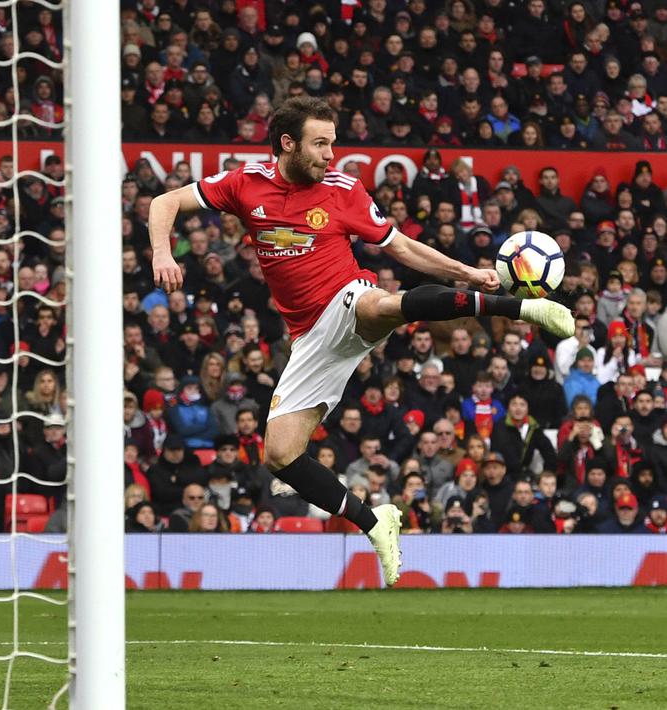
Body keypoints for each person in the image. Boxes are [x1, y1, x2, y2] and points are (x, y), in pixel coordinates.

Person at [147, 96, 575, 586]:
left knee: (381, 305)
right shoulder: (245, 183)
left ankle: (524, 309)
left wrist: (467, 273)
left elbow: (401, 246)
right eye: (321, 144)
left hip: (346, 298)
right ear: (287, 144)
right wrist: (163, 252)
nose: (331, 155)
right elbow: (165, 201)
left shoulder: (343, 191)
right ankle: (376, 523)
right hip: (309, 338)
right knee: (281, 455)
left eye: (333, 143)